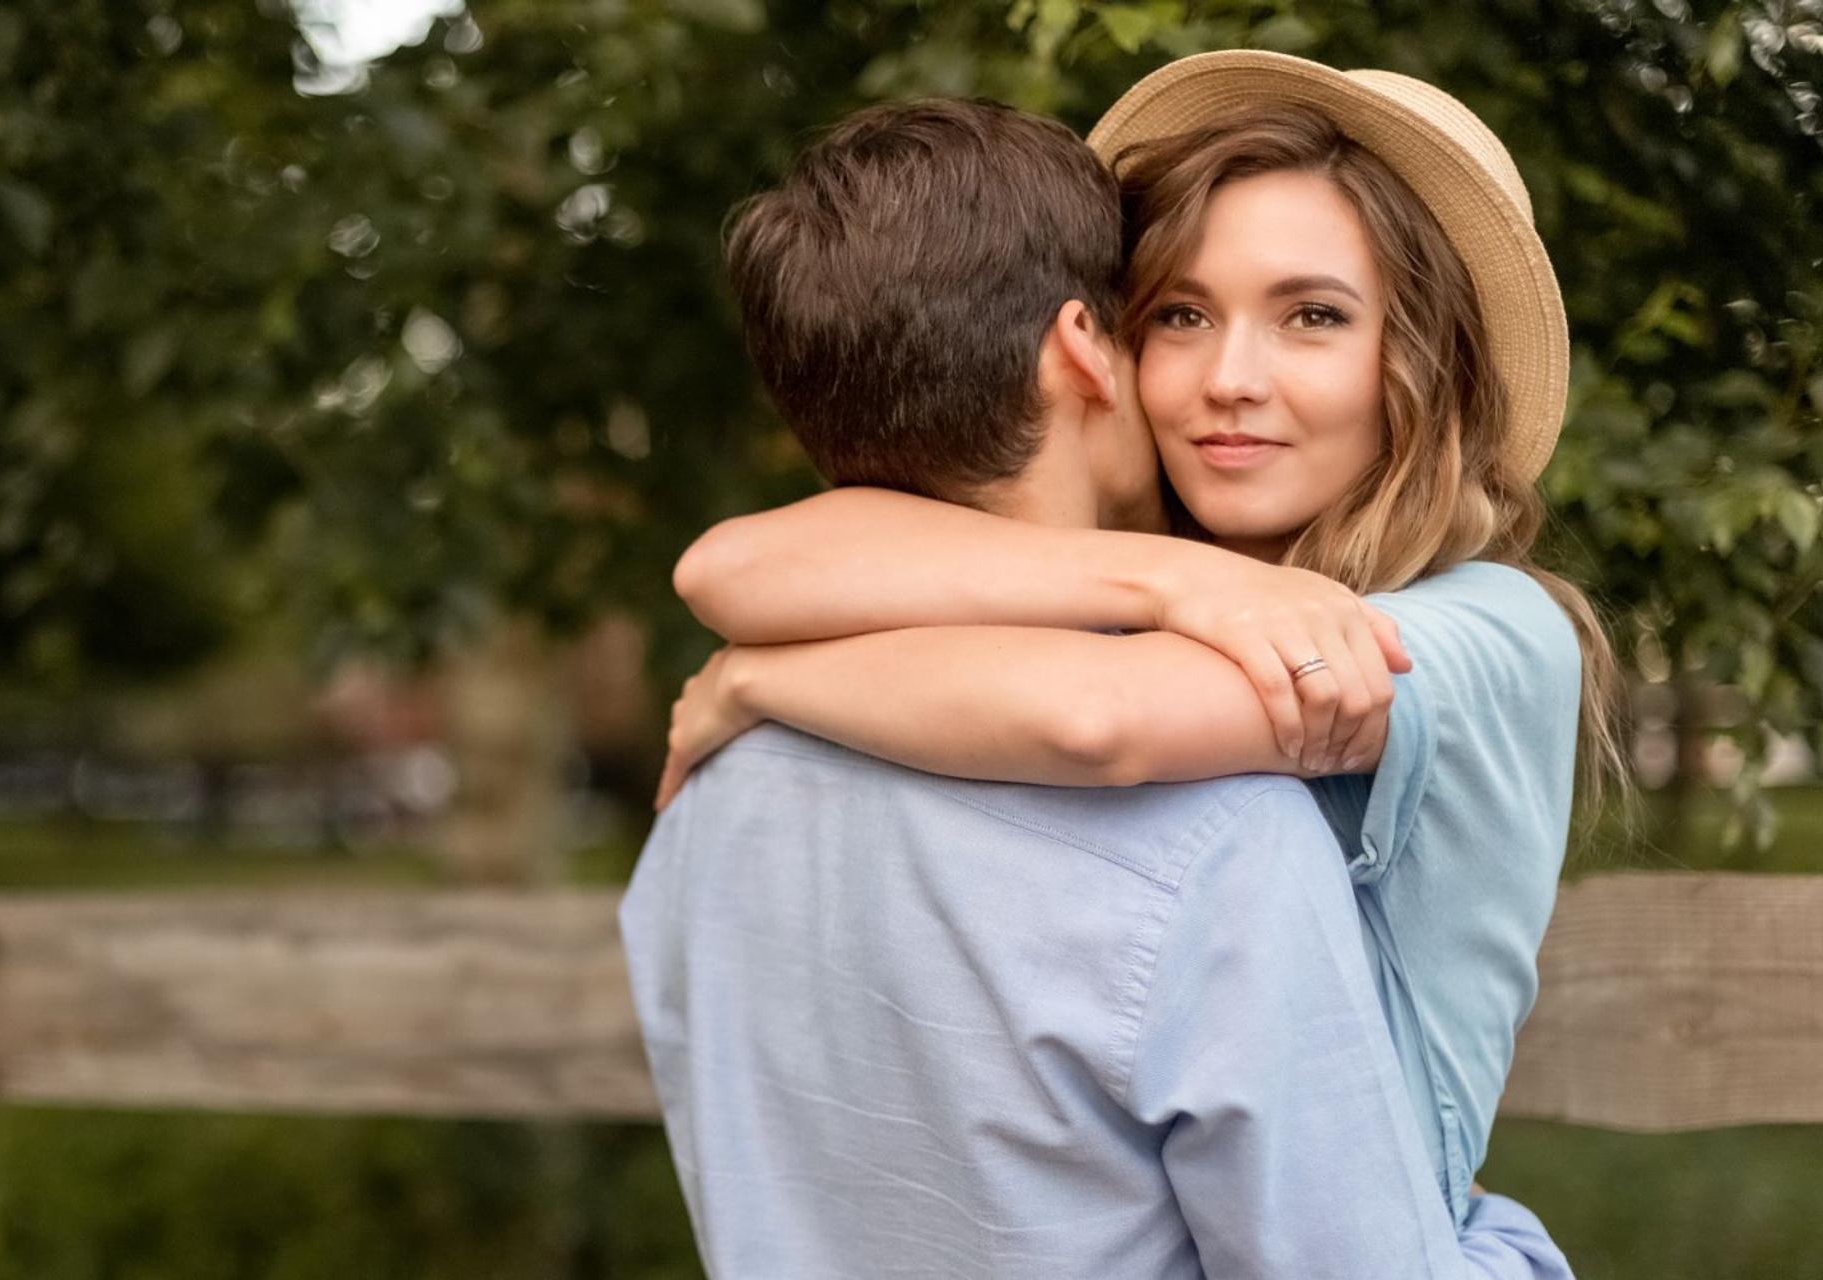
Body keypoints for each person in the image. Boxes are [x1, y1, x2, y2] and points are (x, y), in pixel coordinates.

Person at [661, 51, 1624, 1234]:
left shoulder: (1485, 629)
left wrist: (763, 676)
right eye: (1180, 314)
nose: (1230, 378)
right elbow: (727, 565)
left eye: (1313, 317)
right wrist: (1165, 573)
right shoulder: (1154, 589)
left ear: (1417, 363)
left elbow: (1102, 719)